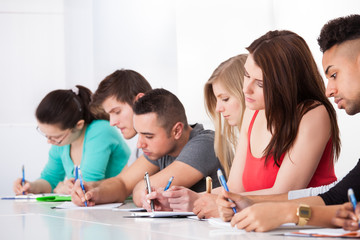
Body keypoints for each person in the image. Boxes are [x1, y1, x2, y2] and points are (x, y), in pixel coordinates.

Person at [217, 14, 360, 232]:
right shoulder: (253, 115)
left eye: (334, 75)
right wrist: (256, 203)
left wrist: (286, 212)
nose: (328, 90)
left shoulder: (312, 113)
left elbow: (341, 205)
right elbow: (339, 198)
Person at [71, 88, 224, 207]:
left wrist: (140, 190)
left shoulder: (205, 144)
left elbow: (146, 188)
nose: (140, 144)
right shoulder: (162, 148)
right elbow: (123, 184)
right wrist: (92, 191)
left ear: (176, 130)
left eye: (148, 136)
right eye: (139, 134)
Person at [143, 54, 247, 212]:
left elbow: (246, 194)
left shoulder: (205, 143)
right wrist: (191, 199)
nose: (218, 109)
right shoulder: (246, 138)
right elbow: (236, 192)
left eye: (225, 99)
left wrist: (198, 200)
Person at [13, 85, 130, 195]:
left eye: (56, 136)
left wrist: (63, 189)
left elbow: (88, 185)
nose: (49, 141)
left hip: (121, 204)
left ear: (78, 125)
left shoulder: (100, 130)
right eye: (46, 135)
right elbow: (50, 179)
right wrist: (31, 186)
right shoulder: (63, 141)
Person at [90, 69, 152, 165]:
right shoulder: (139, 150)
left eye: (117, 112)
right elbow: (122, 179)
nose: (112, 123)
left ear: (140, 101)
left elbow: (124, 180)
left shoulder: (159, 149)